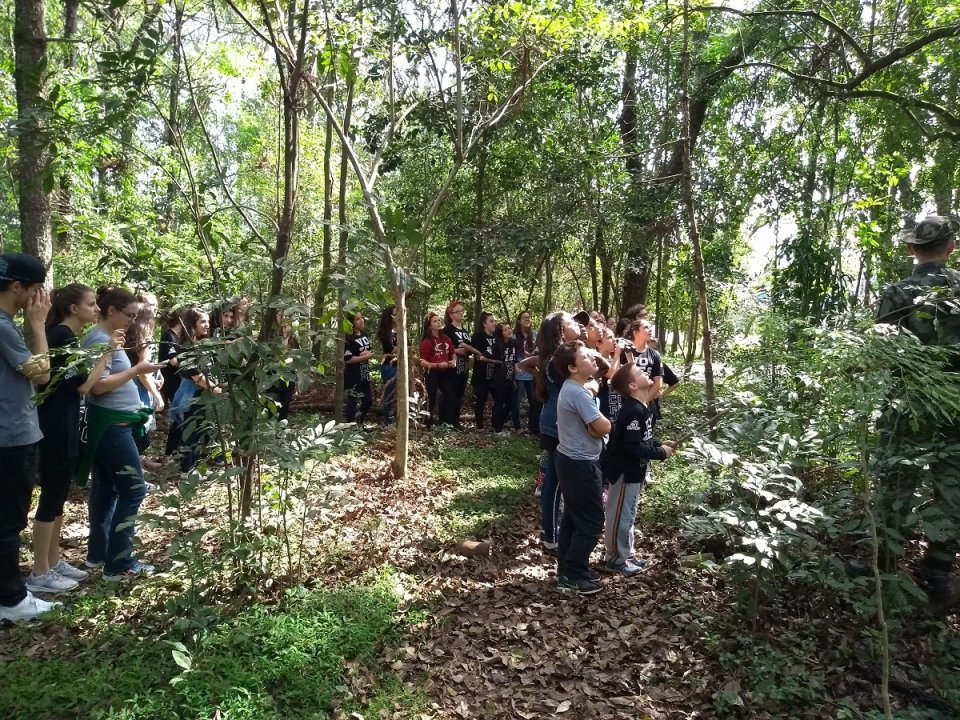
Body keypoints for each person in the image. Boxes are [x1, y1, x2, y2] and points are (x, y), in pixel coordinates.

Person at [873, 215, 960, 607]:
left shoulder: (898, 292)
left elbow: (882, 351)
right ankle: (938, 571)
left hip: (907, 404)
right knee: (953, 486)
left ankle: (885, 565)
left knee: (895, 481)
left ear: (911, 249)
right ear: (951, 247)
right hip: (955, 404)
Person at [29, 284, 117, 594]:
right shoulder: (60, 337)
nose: (97, 309)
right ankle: (40, 571)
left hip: (64, 425)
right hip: (52, 427)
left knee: (59, 495)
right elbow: (84, 385)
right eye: (92, 304)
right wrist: (107, 354)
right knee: (52, 495)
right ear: (74, 309)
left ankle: (52, 561)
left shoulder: (67, 337)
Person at [78, 287, 163, 581]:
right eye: (129, 315)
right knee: (133, 490)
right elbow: (98, 386)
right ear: (111, 310)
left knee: (107, 489)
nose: (132, 321)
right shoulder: (99, 339)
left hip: (114, 425)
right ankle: (119, 564)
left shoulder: (107, 339)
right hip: (111, 428)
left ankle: (99, 554)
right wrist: (137, 369)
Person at [0, 254, 59, 622]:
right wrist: (38, 325)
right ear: (17, 287)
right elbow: (41, 374)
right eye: (37, 289)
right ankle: (11, 599)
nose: (41, 298)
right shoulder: (3, 327)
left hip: (12, 433)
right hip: (11, 438)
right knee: (9, 521)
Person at [603, 364, 674, 575]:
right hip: (624, 473)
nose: (645, 372)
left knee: (629, 514)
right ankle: (615, 559)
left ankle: (627, 554)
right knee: (620, 516)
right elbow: (632, 447)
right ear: (633, 386)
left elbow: (644, 439)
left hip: (636, 472)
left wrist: (660, 445)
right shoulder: (633, 411)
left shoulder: (643, 408)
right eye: (640, 372)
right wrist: (660, 453)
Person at [553, 341, 611, 595]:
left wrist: (595, 426)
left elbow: (595, 426)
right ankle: (572, 575)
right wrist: (600, 426)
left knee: (574, 518)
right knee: (591, 521)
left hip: (571, 461)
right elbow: (603, 427)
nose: (593, 359)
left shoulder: (575, 388)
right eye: (586, 356)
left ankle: (568, 568)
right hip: (579, 464)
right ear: (572, 367)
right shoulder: (577, 393)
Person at [525, 312, 582, 556]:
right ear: (561, 329)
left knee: (554, 481)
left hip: (556, 424)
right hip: (558, 427)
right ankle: (552, 539)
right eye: (571, 322)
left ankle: (554, 534)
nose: (577, 325)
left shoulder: (555, 357)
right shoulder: (558, 360)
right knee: (555, 484)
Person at [167, 308, 217, 473]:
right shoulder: (186, 347)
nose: (207, 325)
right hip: (191, 394)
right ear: (191, 324)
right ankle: (186, 470)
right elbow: (196, 376)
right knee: (190, 432)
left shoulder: (200, 344)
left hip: (201, 394)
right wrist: (216, 389)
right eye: (202, 321)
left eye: (207, 321)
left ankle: (192, 466)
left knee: (198, 431)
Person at [442, 301, 478, 430]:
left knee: (459, 396)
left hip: (464, 368)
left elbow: (470, 347)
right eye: (458, 311)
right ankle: (446, 423)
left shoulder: (465, 331)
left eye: (462, 310)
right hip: (451, 369)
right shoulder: (447, 330)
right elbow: (443, 348)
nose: (461, 313)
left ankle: (455, 423)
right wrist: (457, 351)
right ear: (451, 314)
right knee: (450, 396)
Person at [419, 311, 456, 428]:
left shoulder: (446, 338)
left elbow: (453, 352)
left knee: (451, 396)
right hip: (432, 373)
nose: (439, 322)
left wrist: (453, 361)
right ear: (429, 326)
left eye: (439, 320)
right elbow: (423, 362)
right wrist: (438, 365)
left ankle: (448, 424)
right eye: (435, 321)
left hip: (445, 373)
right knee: (431, 398)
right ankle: (428, 424)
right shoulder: (426, 342)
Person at [470, 311, 500, 429]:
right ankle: (480, 426)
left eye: (495, 321)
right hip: (481, 374)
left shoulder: (497, 337)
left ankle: (496, 424)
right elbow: (474, 353)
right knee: (481, 400)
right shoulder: (478, 337)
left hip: (495, 375)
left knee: (499, 399)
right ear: (484, 324)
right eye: (491, 321)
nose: (494, 323)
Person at [343, 311, 373, 425]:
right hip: (353, 373)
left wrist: (367, 354)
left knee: (368, 400)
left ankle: (359, 422)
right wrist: (364, 356)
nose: (361, 320)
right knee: (353, 401)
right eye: (357, 319)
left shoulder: (364, 334)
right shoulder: (348, 338)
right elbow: (348, 359)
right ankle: (350, 426)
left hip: (365, 371)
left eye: (362, 317)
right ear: (351, 322)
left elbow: (369, 350)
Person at [513, 310, 540, 434]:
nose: (527, 319)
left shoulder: (535, 335)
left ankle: (532, 426)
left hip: (532, 373)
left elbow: (539, 352)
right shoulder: (514, 336)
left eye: (529, 317)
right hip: (520, 373)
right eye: (524, 317)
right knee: (516, 402)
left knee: (534, 401)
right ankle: (517, 427)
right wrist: (515, 367)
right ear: (519, 321)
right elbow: (511, 355)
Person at [491, 322, 517, 433]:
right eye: (505, 330)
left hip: (510, 378)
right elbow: (483, 357)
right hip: (499, 379)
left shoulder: (514, 343)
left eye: (509, 328)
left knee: (510, 404)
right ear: (501, 333)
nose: (509, 330)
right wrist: (497, 362)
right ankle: (497, 429)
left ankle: (498, 424)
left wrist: (515, 374)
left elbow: (515, 360)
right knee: (499, 403)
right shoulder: (496, 345)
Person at [376, 306, 398, 426]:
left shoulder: (401, 330)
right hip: (389, 366)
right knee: (389, 394)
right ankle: (388, 422)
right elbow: (389, 349)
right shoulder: (384, 331)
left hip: (401, 366)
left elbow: (409, 346)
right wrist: (402, 348)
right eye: (395, 314)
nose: (397, 316)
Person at [158, 309, 183, 406]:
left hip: (177, 379)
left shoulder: (180, 337)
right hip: (170, 380)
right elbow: (174, 361)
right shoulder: (168, 336)